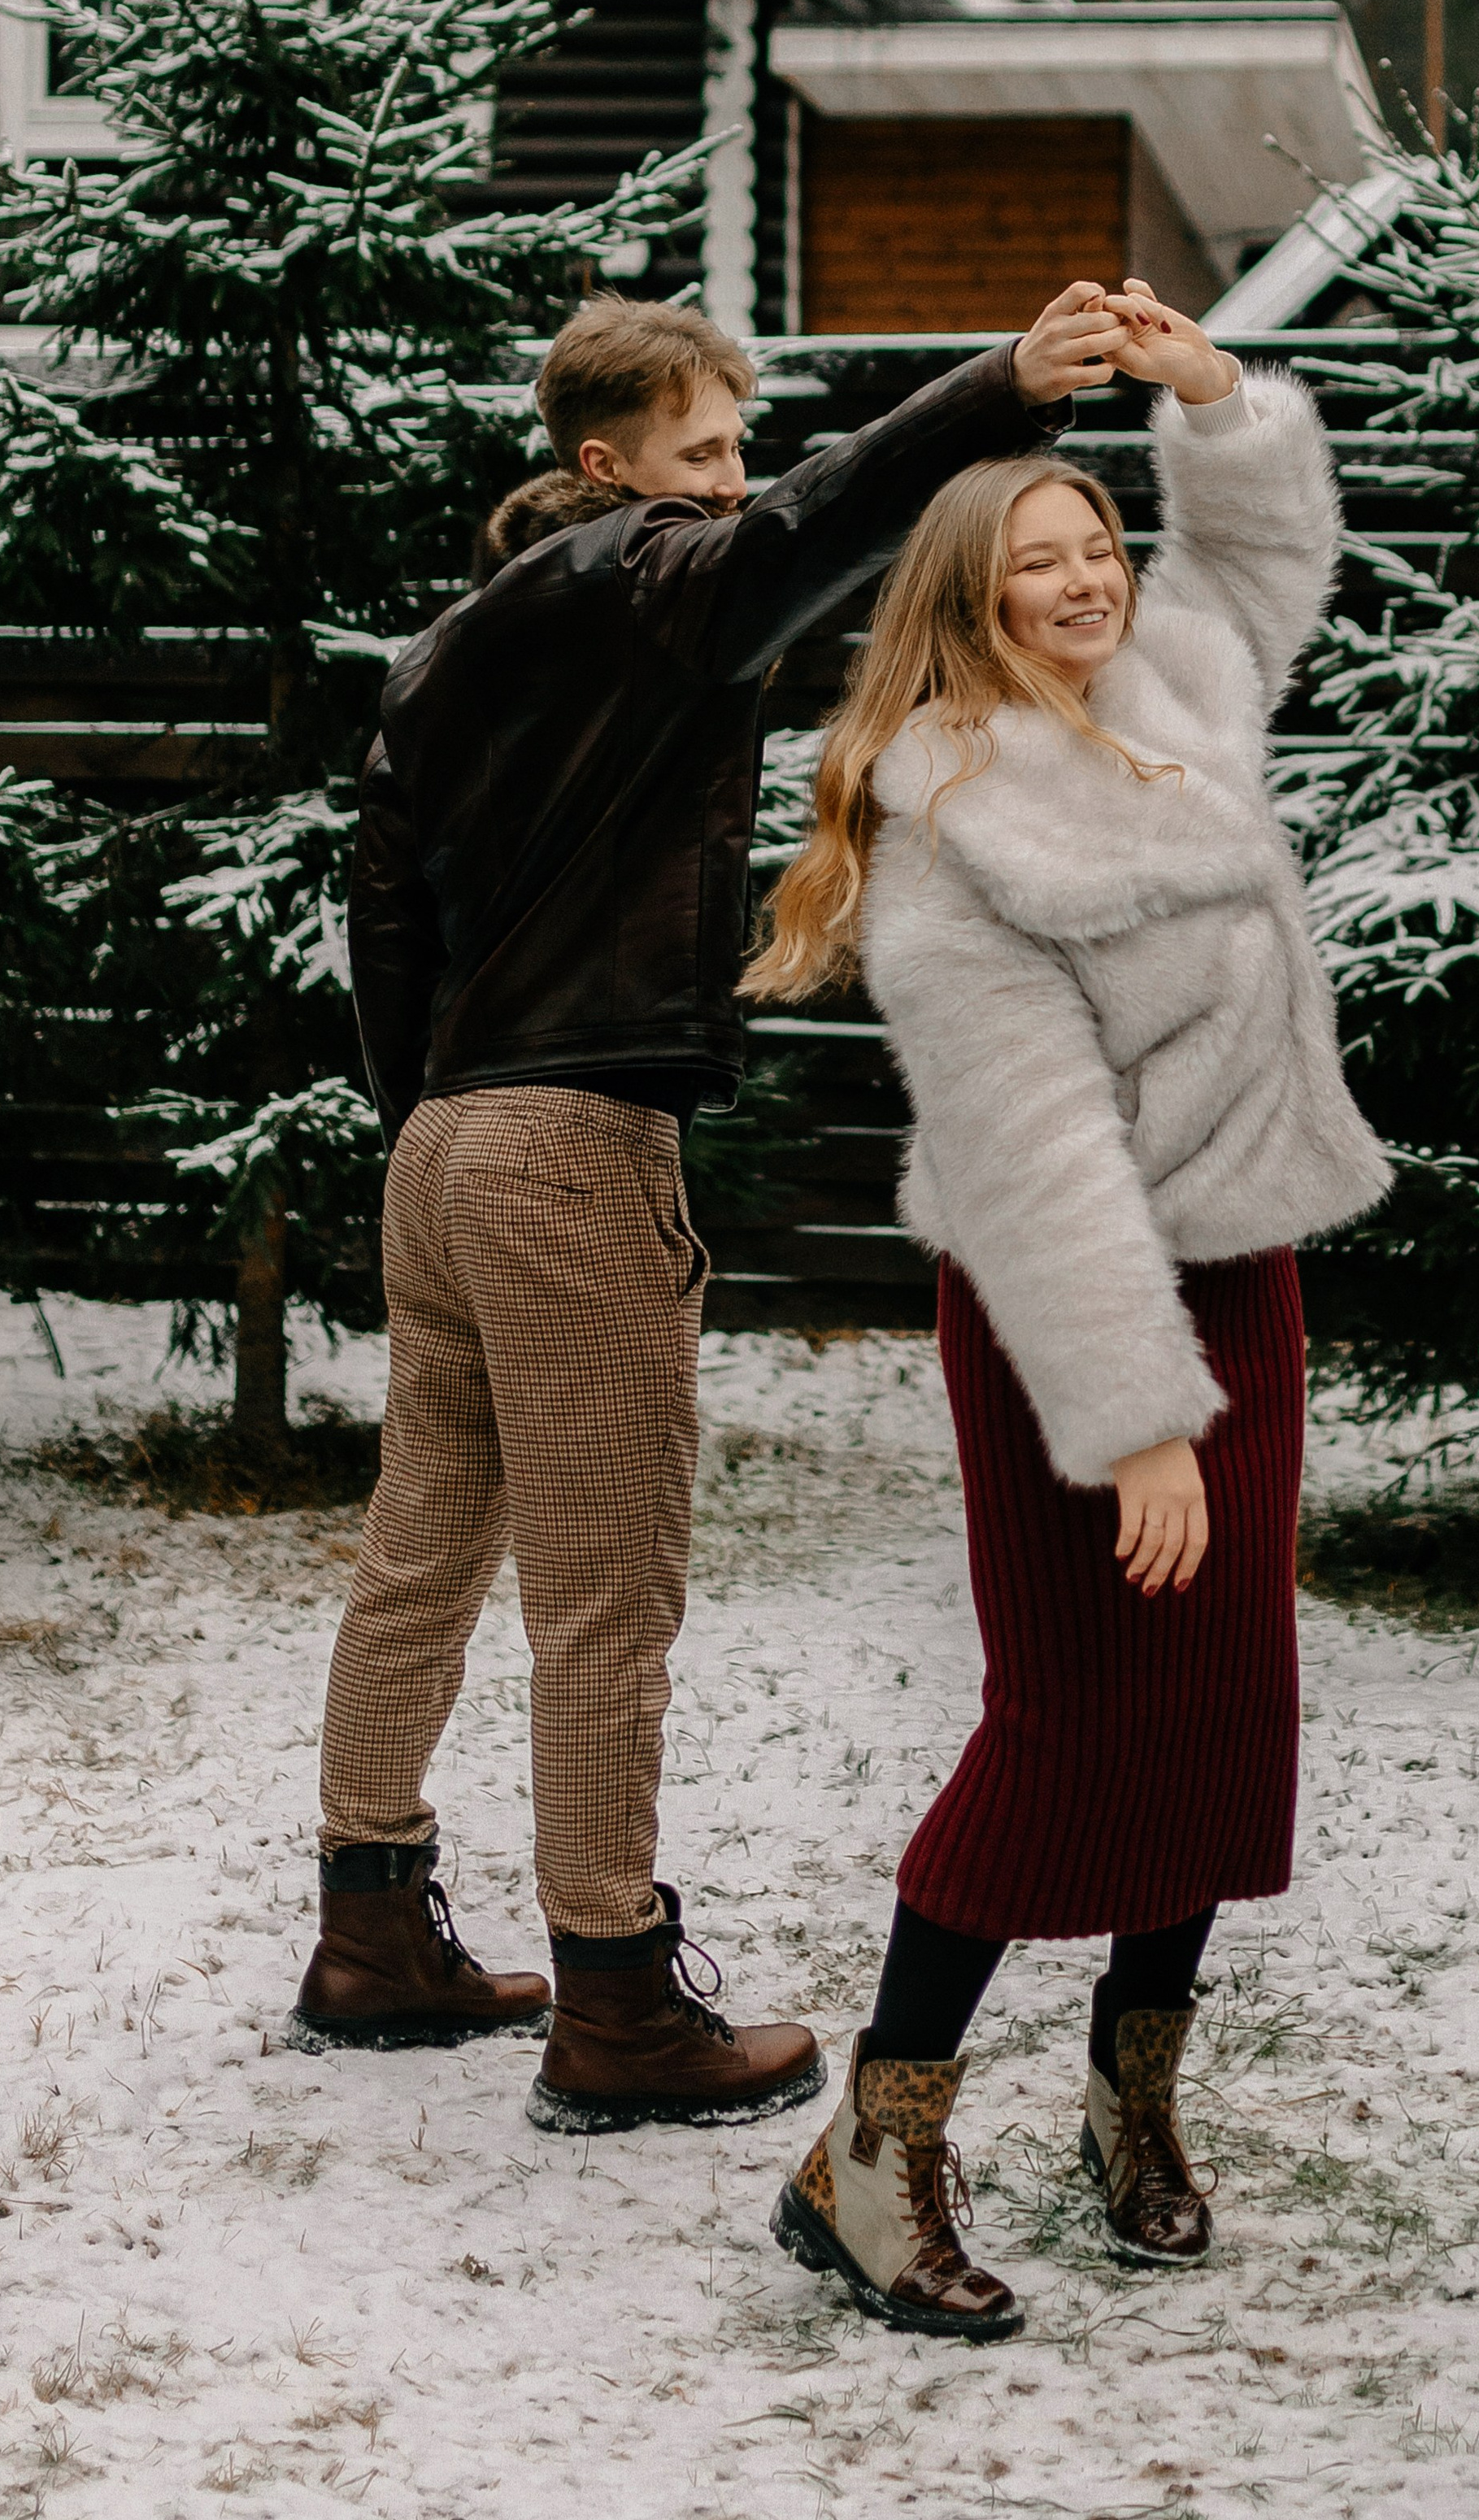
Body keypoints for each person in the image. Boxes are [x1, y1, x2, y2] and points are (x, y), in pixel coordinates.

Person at [295, 279, 1133, 2137]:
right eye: (697, 452)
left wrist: (430, 1117)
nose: (725, 483)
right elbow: (797, 535)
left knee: (424, 1542)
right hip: (573, 1147)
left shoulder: (447, 652)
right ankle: (613, 2004)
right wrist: (1001, 388)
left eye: (730, 446)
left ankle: (369, 1933)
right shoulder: (646, 577)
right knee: (608, 1597)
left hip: (442, 1147)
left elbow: (382, 921)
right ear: (608, 470)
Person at [746, 286, 1391, 2333]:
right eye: (1035, 567)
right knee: (1068, 1727)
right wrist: (1132, 1415)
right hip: (1072, 1321)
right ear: (966, 599)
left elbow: (1261, 551)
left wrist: (1207, 398)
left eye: (1094, 551)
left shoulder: (1181, 696)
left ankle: (1133, 2102)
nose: (1081, 585)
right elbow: (1023, 1139)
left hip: (1243, 1277)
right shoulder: (956, 813)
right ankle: (869, 2149)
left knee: (1215, 1719)